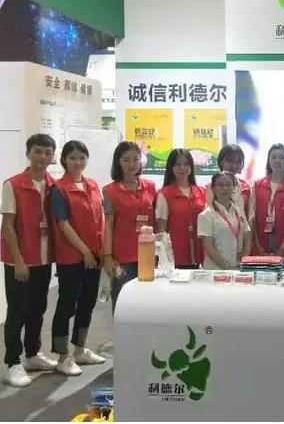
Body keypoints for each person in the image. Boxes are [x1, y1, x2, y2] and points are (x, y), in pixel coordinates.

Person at [1, 134, 58, 387]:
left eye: (47, 152)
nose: (42, 157)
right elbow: (8, 226)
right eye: (37, 151)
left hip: (44, 259)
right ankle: (12, 362)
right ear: (28, 153)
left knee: (38, 308)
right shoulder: (13, 184)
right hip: (21, 261)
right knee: (18, 311)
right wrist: (19, 260)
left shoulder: (53, 185)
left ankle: (32, 354)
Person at [50, 140, 106, 376]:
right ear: (64, 160)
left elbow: (100, 218)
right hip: (72, 256)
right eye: (72, 157)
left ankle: (80, 350)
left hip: (94, 255)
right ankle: (63, 356)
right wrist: (84, 251)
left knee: (87, 303)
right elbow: (63, 224)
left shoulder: (92, 184)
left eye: (82, 157)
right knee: (67, 305)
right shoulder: (58, 189)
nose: (77, 162)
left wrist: (101, 250)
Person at [102, 141, 157, 314]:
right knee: (122, 300)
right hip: (122, 256)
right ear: (118, 162)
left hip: (148, 254)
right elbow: (108, 225)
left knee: (147, 300)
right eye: (126, 160)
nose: (132, 164)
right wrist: (107, 256)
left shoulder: (150, 187)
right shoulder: (110, 191)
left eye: (135, 159)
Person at [252, 144, 284, 271]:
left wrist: (282, 248)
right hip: (262, 242)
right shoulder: (258, 185)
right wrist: (257, 244)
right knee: (262, 278)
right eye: (274, 157)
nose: (277, 161)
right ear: (268, 160)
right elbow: (252, 217)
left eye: (282, 157)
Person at [156, 149, 207, 269]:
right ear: (171, 167)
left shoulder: (201, 192)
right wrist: (165, 258)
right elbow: (161, 229)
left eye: (186, 164)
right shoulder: (164, 193)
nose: (182, 168)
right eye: (177, 164)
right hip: (176, 257)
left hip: (201, 255)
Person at [198, 172, 251, 269]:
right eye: (220, 185)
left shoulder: (239, 212)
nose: (225, 188)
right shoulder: (206, 215)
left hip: (238, 268)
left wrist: (243, 262)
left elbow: (247, 238)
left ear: (234, 187)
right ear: (213, 188)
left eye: (228, 184)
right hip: (215, 269)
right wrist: (228, 268)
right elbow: (209, 247)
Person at [207, 145, 253, 223]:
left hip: (242, 228)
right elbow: (208, 215)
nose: (234, 165)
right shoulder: (211, 187)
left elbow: (250, 215)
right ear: (221, 162)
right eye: (230, 161)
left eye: (238, 162)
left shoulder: (246, 187)